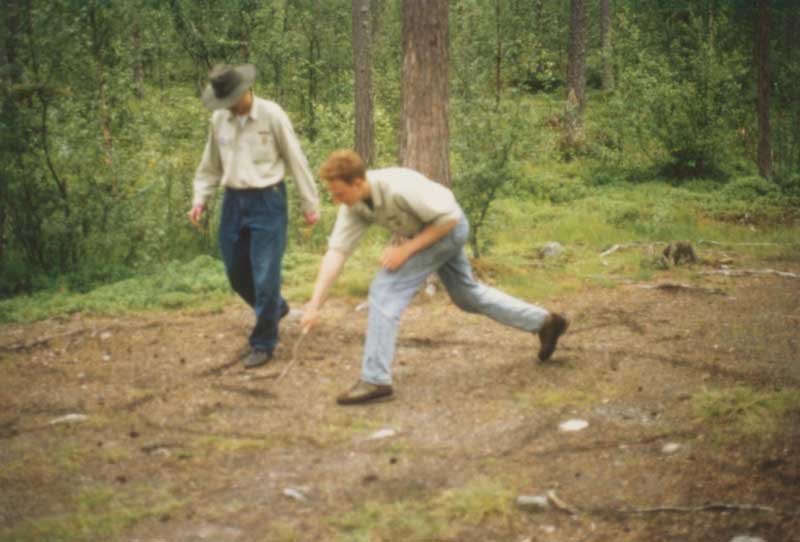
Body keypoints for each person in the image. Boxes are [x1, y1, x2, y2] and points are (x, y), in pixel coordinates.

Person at [300, 149, 569, 405]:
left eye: (339, 193)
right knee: (466, 296)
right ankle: (545, 322)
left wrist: (405, 249)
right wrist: (314, 306)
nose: (336, 200)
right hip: (430, 232)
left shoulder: (398, 186)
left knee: (385, 290)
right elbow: (337, 253)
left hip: (448, 227)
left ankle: (375, 380)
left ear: (357, 182)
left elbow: (450, 220)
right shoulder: (355, 206)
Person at [189, 64, 320, 368]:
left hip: (268, 200)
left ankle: (263, 342)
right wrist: (200, 200)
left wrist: (309, 204)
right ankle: (276, 308)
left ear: (245, 91)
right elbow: (210, 165)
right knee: (237, 275)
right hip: (233, 201)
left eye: (232, 99)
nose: (229, 107)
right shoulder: (219, 119)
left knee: (265, 275)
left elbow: (295, 159)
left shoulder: (272, 115)